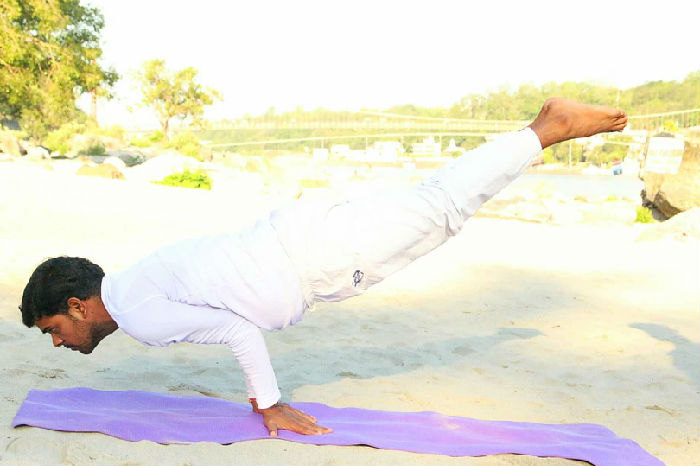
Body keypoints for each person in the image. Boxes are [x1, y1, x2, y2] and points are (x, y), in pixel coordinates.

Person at [19, 98, 627, 437]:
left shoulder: (137, 314)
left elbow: (237, 330)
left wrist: (268, 404)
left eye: (53, 329)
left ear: (76, 305)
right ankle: (541, 133)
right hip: (306, 238)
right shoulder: (135, 282)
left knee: (441, 208)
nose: (58, 342)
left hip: (319, 257)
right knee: (437, 206)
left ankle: (547, 128)